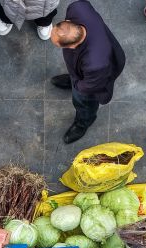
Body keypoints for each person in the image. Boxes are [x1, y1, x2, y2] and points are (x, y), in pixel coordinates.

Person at [50, 1, 125, 144]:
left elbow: (90, 85)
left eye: (57, 44)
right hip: (86, 69)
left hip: (92, 80)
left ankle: (83, 122)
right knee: (77, 76)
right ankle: (73, 78)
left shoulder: (95, 64)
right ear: (67, 21)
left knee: (84, 101)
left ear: (73, 46)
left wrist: (77, 85)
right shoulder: (77, 8)